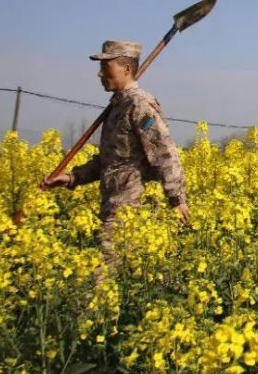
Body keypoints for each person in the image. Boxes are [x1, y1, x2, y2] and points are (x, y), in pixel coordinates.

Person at [42, 40, 190, 246]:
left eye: (105, 66)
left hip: (130, 212)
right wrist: (72, 178)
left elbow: (164, 152)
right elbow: (109, 159)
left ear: (127, 68)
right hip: (111, 209)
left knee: (103, 275)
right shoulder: (118, 105)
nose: (100, 73)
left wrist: (177, 199)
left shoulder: (139, 105)